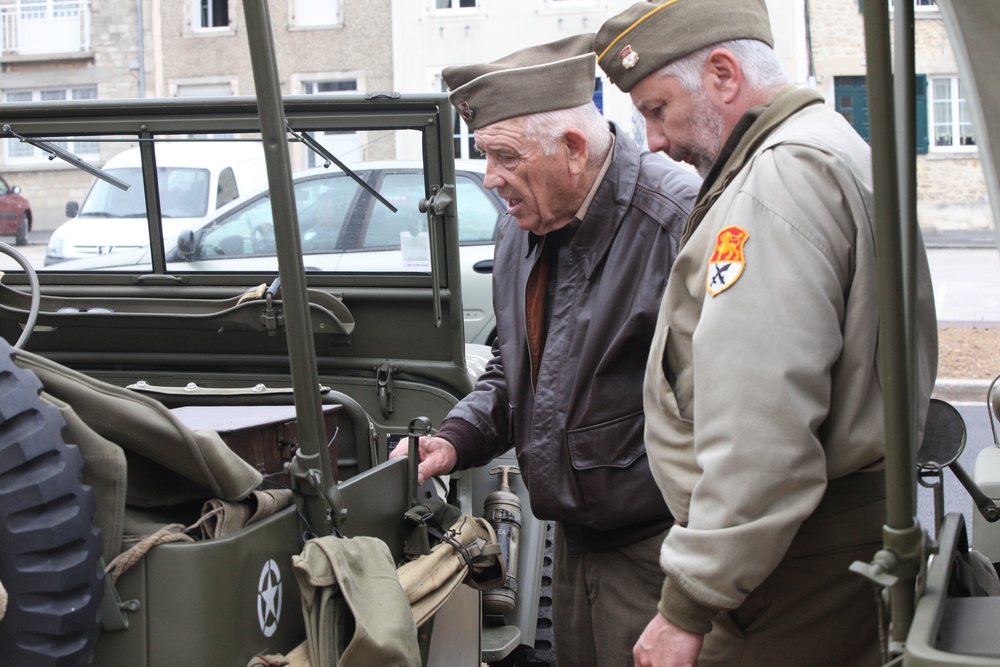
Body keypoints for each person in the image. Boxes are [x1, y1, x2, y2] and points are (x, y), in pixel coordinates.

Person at [593, 1, 938, 665]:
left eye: (656, 108)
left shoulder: (776, 179)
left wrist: (688, 602)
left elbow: (761, 428)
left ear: (723, 75)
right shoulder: (831, 146)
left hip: (790, 574)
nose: (654, 140)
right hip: (827, 548)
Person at [389, 34, 700, 665]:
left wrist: (695, 597)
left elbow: (731, 420)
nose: (488, 178)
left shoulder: (676, 222)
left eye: (504, 156)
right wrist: (454, 438)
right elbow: (516, 370)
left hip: (665, 555)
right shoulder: (521, 225)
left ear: (575, 150)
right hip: (578, 542)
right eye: (483, 155)